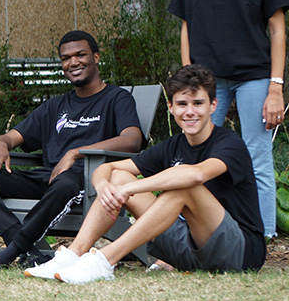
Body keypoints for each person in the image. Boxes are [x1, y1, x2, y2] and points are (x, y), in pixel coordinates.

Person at [27, 65, 266, 283]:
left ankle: (104, 261)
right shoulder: (173, 145)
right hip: (190, 250)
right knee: (118, 177)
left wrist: (131, 188)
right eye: (182, 104)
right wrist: (102, 185)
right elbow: (108, 168)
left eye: (198, 103)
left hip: (239, 252)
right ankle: (72, 255)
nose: (190, 112)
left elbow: (196, 175)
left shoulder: (229, 143)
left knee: (182, 185)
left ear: (213, 105)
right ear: (171, 108)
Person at [0, 30, 143, 268]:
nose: (73, 62)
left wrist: (75, 153)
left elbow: (132, 139)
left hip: (85, 181)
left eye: (80, 55)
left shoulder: (117, 98)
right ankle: (26, 249)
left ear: (96, 57)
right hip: (47, 181)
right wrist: (0, 143)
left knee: (65, 182)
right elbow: (12, 136)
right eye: (66, 58)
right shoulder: (55, 106)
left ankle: (5, 256)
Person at [168, 0, 289, 239]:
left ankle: (261, 235)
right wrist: (189, 80)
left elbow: (278, 31)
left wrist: (276, 87)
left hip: (254, 76)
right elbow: (187, 26)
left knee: (255, 157)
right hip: (206, 80)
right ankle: (187, 233)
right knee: (195, 157)